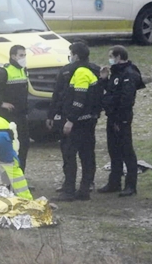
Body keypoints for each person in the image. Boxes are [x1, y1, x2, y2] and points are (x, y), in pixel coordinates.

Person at [56, 42, 102, 202]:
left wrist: (70, 120)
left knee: (70, 155)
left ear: (75, 55)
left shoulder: (81, 72)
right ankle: (84, 189)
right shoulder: (93, 71)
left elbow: (79, 100)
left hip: (78, 123)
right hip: (89, 121)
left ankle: (69, 191)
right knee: (88, 155)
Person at [98, 45, 145, 197]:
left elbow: (126, 100)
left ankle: (131, 185)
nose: (109, 59)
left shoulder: (129, 74)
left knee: (126, 151)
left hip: (122, 118)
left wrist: (119, 119)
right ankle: (114, 182)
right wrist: (104, 80)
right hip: (112, 116)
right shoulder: (116, 73)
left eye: (111, 56)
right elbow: (112, 93)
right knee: (113, 150)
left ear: (118, 57)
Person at [0, 45, 30, 172]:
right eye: (21, 55)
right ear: (13, 56)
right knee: (8, 145)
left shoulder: (23, 70)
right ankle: (5, 176)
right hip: (7, 115)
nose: (23, 58)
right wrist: (1, 103)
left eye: (25, 55)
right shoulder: (4, 71)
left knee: (24, 145)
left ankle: (20, 174)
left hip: (21, 115)